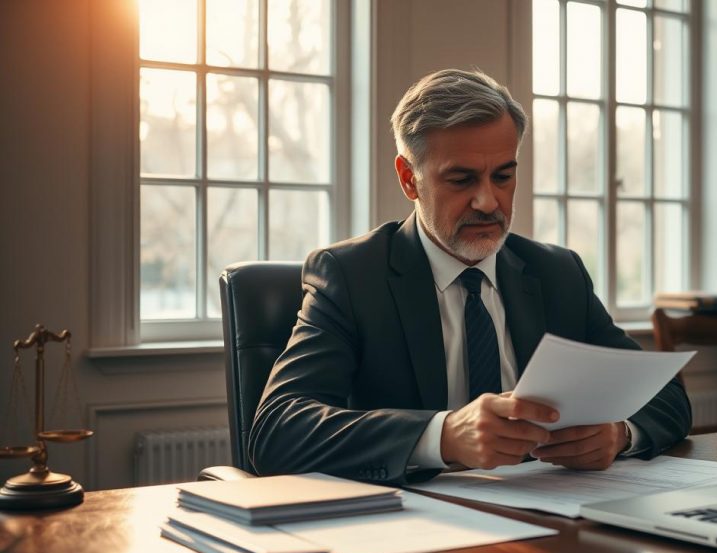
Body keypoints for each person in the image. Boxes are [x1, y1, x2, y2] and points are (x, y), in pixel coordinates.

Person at [249, 69, 691, 485]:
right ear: (409, 179)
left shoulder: (558, 274)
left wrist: (620, 433)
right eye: (462, 180)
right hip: (409, 534)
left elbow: (666, 398)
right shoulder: (351, 276)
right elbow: (277, 431)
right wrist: (442, 436)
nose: (487, 201)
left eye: (503, 176)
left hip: (547, 519)